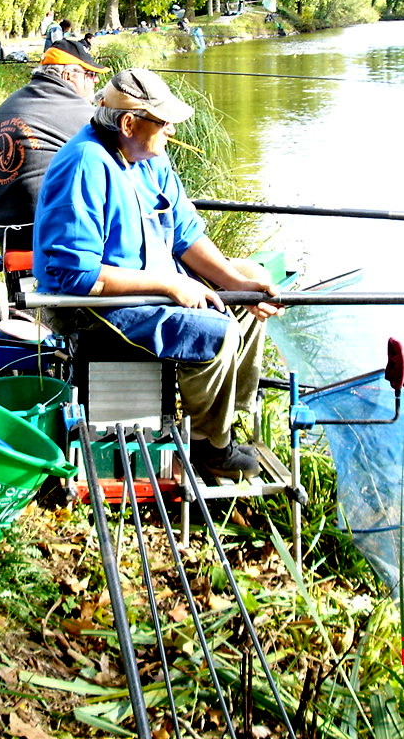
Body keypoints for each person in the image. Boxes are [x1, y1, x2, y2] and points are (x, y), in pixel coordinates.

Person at [32, 69, 281, 479]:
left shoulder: (151, 158)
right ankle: (209, 446)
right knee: (218, 331)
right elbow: (79, 277)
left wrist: (239, 285)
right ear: (128, 123)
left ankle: (223, 418)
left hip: (152, 279)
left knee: (249, 281)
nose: (169, 131)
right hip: (94, 304)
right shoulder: (84, 166)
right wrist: (171, 284)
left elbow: (185, 234)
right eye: (162, 123)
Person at [0, 37, 109, 251]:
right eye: (91, 74)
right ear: (69, 75)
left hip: (1, 228)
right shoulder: (77, 110)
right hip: (44, 226)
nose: (95, 81)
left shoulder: (8, 105)